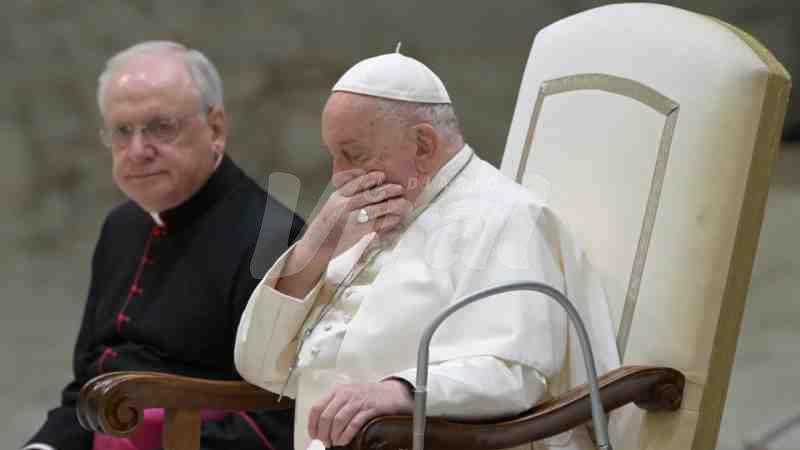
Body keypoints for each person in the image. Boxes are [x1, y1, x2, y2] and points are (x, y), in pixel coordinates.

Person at [234, 52, 618, 450]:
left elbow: (516, 373)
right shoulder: (370, 215)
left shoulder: (509, 218)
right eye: (333, 156)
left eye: (354, 155)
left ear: (423, 144)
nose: (338, 177)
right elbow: (259, 363)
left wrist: (402, 391)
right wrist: (316, 249)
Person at [23, 41, 304, 450]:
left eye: (161, 126)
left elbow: (275, 421)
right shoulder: (121, 226)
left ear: (215, 128)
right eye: (122, 131)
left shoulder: (275, 236)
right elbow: (88, 385)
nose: (138, 151)